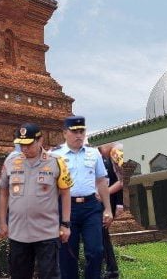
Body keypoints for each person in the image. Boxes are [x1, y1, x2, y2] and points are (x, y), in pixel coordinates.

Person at [0, 123, 73, 279]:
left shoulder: (56, 161)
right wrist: (3, 222)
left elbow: (66, 193)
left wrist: (65, 224)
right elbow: (4, 193)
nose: (25, 149)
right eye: (21, 145)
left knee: (49, 275)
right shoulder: (11, 162)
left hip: (46, 233)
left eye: (29, 144)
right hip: (18, 233)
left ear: (40, 140)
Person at [50, 116, 113, 279]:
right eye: (74, 131)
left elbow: (101, 181)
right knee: (67, 255)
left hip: (91, 207)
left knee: (96, 251)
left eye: (82, 131)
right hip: (66, 208)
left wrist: (107, 208)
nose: (79, 135)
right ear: (65, 133)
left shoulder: (94, 154)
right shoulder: (54, 155)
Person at [97, 143, 124, 279]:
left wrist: (119, 204)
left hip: (107, 203)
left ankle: (110, 269)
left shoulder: (115, 153)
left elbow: (121, 179)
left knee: (101, 234)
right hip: (96, 203)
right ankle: (110, 269)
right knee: (102, 235)